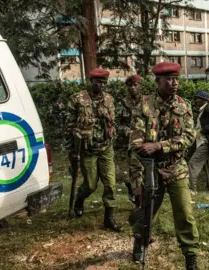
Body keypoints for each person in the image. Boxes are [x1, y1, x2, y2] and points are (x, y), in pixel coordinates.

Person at [129, 61, 199, 269]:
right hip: (151, 171)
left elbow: (189, 137)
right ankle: (140, 242)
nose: (174, 83)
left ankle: (190, 254)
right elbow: (135, 144)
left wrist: (160, 145)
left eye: (176, 78)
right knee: (146, 212)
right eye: (169, 79)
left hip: (176, 168)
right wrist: (136, 181)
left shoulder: (183, 106)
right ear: (158, 81)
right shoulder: (144, 105)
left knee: (185, 213)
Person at [64, 68, 121, 232]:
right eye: (98, 82)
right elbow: (69, 126)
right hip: (87, 149)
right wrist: (71, 152)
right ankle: (79, 200)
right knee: (90, 185)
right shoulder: (77, 99)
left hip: (106, 148)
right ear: (91, 81)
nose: (102, 85)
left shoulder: (109, 99)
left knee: (110, 184)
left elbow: (113, 122)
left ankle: (109, 218)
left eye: (104, 82)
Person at [117, 74, 143, 203]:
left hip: (147, 142)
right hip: (130, 143)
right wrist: (124, 129)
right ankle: (138, 199)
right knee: (135, 171)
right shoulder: (123, 103)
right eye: (129, 85)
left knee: (144, 172)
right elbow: (117, 123)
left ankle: (140, 193)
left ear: (140, 86)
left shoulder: (148, 102)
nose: (132, 88)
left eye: (135, 85)